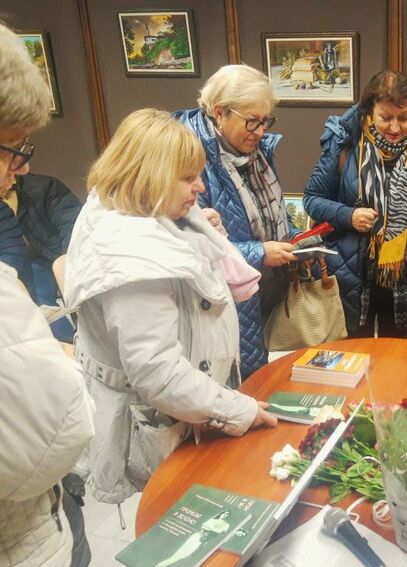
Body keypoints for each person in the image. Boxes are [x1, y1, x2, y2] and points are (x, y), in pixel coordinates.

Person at [64, 108, 277, 506]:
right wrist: (236, 409)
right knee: (176, 514)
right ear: (150, 176)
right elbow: (159, 376)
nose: (199, 187)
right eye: (187, 178)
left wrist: (197, 234)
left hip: (191, 406)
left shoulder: (146, 204)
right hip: (166, 417)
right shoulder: (129, 258)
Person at [0, 21, 95, 567]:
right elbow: (57, 430)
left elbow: (65, 237)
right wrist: (68, 368)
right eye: (14, 149)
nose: (16, 171)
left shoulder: (43, 191)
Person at [304, 70, 407, 337]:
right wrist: (348, 215)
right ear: (368, 112)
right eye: (386, 118)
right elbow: (312, 200)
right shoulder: (344, 145)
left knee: (397, 361)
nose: (396, 128)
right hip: (351, 275)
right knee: (352, 355)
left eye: (404, 118)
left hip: (404, 278)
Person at [174, 65, 298, 379]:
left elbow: (266, 215)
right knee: (236, 381)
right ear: (219, 112)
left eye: (266, 120)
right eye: (252, 121)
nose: (261, 131)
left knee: (258, 377)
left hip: (262, 287)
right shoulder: (189, 156)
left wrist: (294, 236)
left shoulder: (255, 153)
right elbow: (191, 245)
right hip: (222, 299)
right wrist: (259, 252)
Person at [0, 172, 82, 341]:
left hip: (47, 259)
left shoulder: (43, 187)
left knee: (44, 305)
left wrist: (66, 264)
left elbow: (73, 227)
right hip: (12, 268)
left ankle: (67, 345)